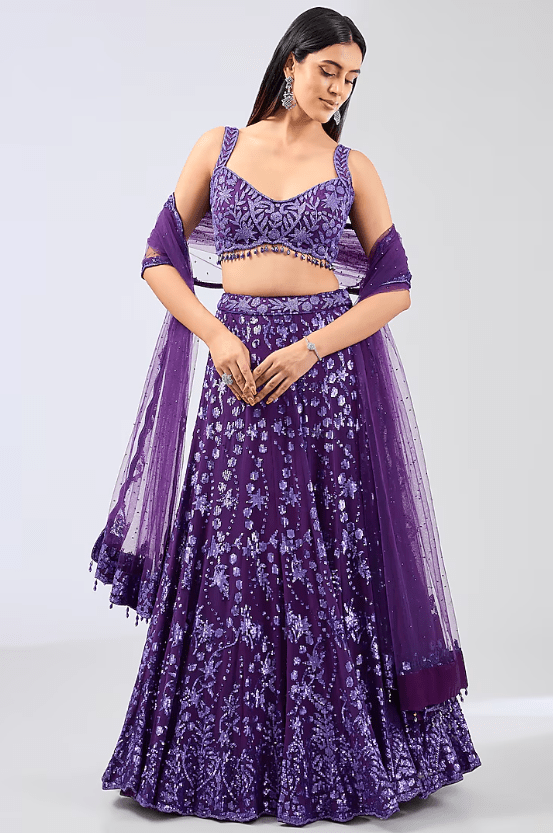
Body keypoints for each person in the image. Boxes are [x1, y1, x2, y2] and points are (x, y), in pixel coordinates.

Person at [90, 7, 482, 825]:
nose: (337, 88)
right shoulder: (219, 146)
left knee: (325, 551)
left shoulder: (352, 168)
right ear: (289, 63)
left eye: (351, 79)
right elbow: (159, 258)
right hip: (236, 374)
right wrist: (215, 334)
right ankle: (217, 758)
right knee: (232, 550)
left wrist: (309, 349)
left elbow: (395, 286)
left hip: (322, 373)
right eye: (327, 69)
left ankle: (343, 756)